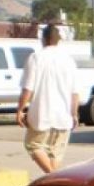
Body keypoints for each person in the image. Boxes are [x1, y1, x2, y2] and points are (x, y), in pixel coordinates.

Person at [16, 24, 78, 174]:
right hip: (63, 116)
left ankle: (52, 177)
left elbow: (28, 89)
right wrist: (74, 114)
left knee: (33, 145)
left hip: (42, 113)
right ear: (58, 40)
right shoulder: (69, 61)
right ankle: (54, 178)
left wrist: (20, 110)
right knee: (54, 152)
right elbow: (75, 92)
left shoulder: (36, 58)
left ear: (43, 39)